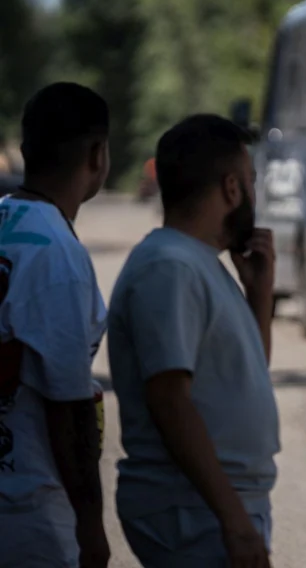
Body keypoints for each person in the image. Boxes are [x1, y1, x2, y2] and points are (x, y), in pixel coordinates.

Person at [107, 114, 278, 568]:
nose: (252, 194)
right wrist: (235, 522)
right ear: (231, 189)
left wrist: (260, 297)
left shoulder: (199, 263)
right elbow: (169, 401)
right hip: (191, 509)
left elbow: (245, 377)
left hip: (210, 506)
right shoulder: (171, 268)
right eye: (250, 181)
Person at [0, 83, 111, 568]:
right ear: (97, 155)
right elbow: (69, 408)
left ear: (25, 152)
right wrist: (90, 526)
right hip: (29, 515)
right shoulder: (58, 256)